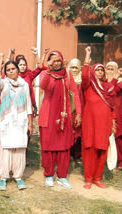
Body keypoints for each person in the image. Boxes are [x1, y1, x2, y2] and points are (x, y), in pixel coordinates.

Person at [38, 50, 82, 189]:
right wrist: (49, 70)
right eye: (53, 61)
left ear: (62, 61)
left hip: (64, 117)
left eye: (58, 60)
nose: (56, 63)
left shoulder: (67, 75)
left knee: (63, 148)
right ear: (49, 62)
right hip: (48, 117)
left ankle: (62, 176)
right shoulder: (46, 74)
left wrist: (79, 113)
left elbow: (75, 94)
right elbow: (43, 86)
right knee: (48, 147)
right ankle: (49, 175)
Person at [81, 47, 119, 188]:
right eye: (97, 70)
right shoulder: (88, 85)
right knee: (89, 149)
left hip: (104, 123)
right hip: (90, 123)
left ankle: (97, 178)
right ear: (93, 72)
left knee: (101, 149)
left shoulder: (108, 87)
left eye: (102, 70)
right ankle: (88, 179)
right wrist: (87, 56)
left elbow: (112, 107)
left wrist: (113, 123)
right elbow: (84, 76)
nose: (100, 72)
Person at [0, 54, 33, 190]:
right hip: (6, 122)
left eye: (13, 69)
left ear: (18, 70)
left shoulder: (24, 85)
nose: (11, 71)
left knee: (19, 149)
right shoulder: (3, 84)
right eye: (8, 69)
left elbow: (28, 104)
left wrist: (30, 123)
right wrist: (0, 62)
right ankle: (3, 178)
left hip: (20, 122)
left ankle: (18, 177)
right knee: (5, 149)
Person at [106, 62, 122, 170]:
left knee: (118, 138)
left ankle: (120, 161)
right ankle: (108, 160)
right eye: (108, 69)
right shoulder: (103, 81)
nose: (110, 71)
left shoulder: (120, 82)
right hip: (105, 113)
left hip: (118, 113)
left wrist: (116, 78)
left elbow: (113, 90)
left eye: (112, 69)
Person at [67, 58, 84, 163]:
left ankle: (77, 155)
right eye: (72, 67)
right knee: (67, 132)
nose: (74, 69)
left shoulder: (82, 79)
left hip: (79, 110)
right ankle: (67, 154)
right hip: (68, 109)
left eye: (76, 67)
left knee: (78, 133)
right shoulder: (66, 77)